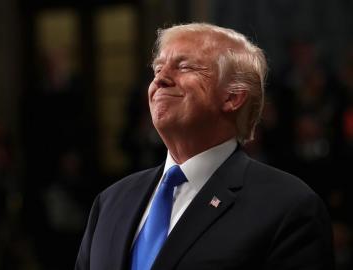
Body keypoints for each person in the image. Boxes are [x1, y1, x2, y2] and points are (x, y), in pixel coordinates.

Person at [75, 23, 334, 270]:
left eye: (184, 67)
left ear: (232, 96)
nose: (160, 79)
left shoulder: (288, 207)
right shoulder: (111, 201)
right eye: (157, 69)